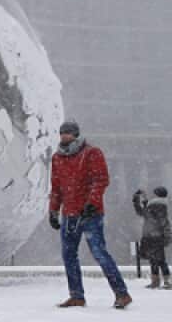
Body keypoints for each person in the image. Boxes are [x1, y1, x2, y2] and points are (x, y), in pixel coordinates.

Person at [49, 121, 131, 309]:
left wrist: (92, 203)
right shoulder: (57, 158)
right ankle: (76, 295)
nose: (64, 136)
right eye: (62, 133)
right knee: (68, 255)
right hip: (69, 214)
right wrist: (53, 211)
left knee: (99, 253)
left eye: (68, 133)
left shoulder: (92, 153)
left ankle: (122, 293)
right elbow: (56, 188)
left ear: (76, 135)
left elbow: (101, 179)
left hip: (89, 214)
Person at [132, 187, 172, 290]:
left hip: (151, 236)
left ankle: (158, 282)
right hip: (157, 236)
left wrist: (137, 200)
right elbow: (163, 222)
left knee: (155, 260)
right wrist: (167, 236)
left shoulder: (155, 206)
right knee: (159, 260)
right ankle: (165, 281)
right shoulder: (160, 206)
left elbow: (142, 213)